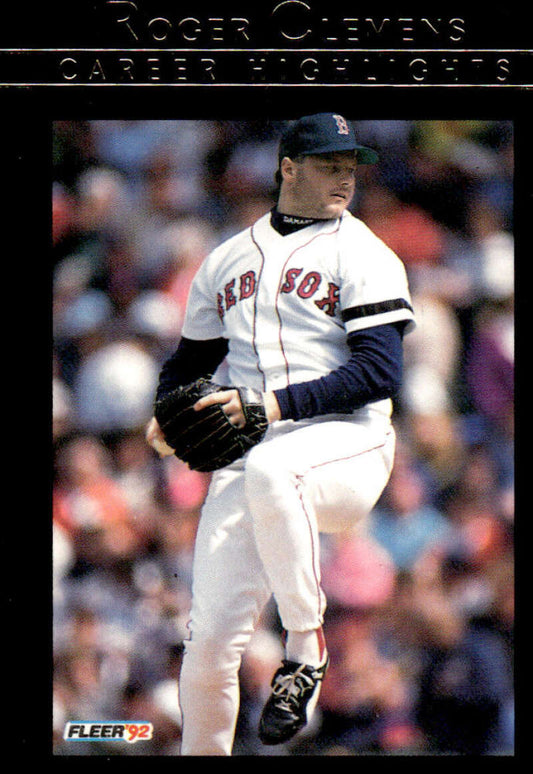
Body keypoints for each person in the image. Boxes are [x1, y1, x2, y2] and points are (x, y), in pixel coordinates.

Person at [146, 113, 416, 756]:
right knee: (208, 641)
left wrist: (270, 404)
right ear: (287, 168)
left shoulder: (365, 254)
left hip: (349, 444)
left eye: (349, 166)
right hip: (257, 450)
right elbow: (190, 361)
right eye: (329, 164)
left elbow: (379, 371)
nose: (344, 179)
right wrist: (164, 411)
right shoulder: (227, 258)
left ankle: (304, 647)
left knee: (276, 468)